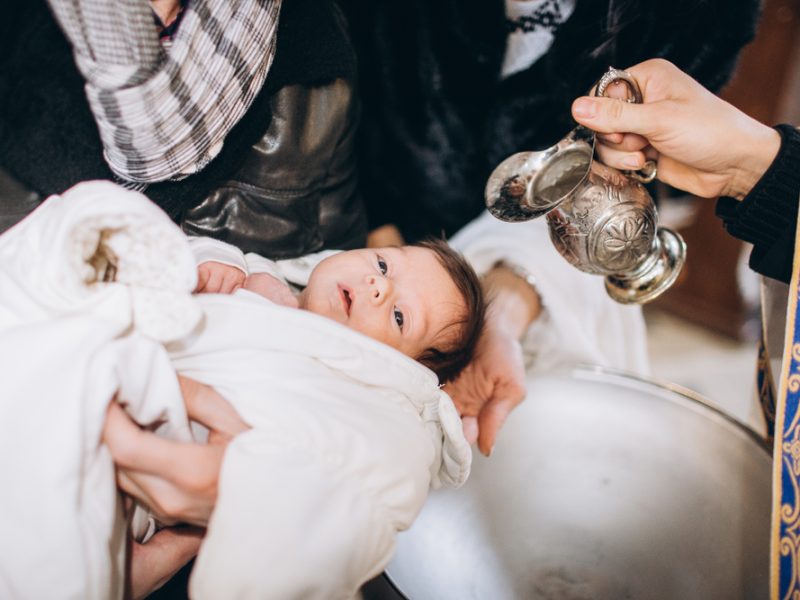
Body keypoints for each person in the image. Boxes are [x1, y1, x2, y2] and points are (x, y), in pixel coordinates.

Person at [0, 180, 479, 599]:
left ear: (406, 366)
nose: (377, 284)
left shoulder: (384, 412)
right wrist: (210, 262)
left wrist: (257, 492)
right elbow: (181, 254)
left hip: (130, 471)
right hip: (113, 345)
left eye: (399, 316)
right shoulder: (266, 274)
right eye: (383, 263)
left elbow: (355, 505)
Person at [339, 0, 763, 456]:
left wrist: (497, 314)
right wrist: (385, 252)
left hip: (551, 296)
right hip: (363, 236)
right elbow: (344, 105)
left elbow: (632, 180)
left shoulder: (705, 13)